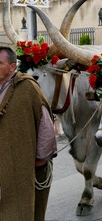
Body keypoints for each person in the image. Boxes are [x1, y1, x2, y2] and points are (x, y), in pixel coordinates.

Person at [0, 46, 57, 221]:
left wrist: (40, 159)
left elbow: (46, 127)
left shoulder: (28, 88)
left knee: (18, 212)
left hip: (20, 169)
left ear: (12, 67)